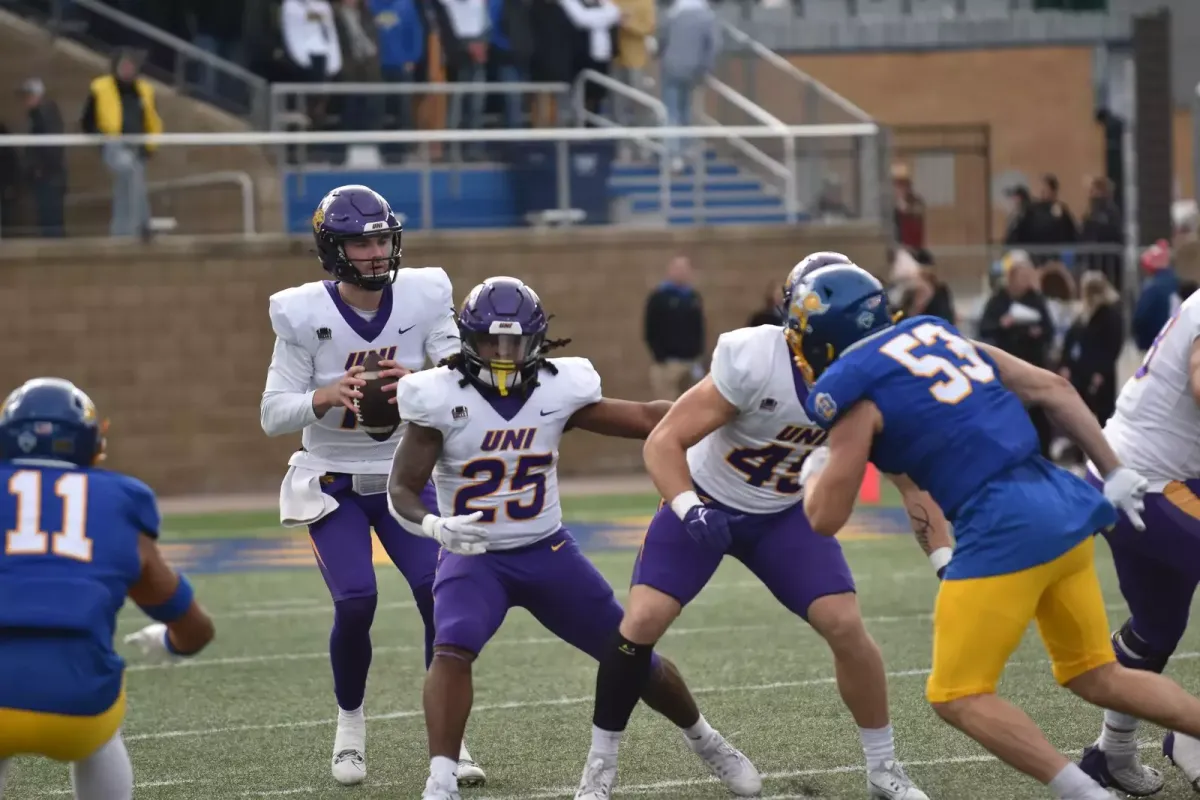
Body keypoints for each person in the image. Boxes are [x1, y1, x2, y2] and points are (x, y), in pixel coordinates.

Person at [791, 262, 1200, 800]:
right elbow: (1053, 387)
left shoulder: (856, 387)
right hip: (1065, 507)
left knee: (955, 694)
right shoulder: (935, 333)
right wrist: (1114, 468)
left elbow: (825, 518)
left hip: (1003, 528)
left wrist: (814, 475)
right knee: (1096, 673)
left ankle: (1086, 794)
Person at [576, 253, 947, 800]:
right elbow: (663, 440)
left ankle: (883, 769)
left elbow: (912, 483)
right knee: (642, 622)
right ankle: (599, 767)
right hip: (707, 501)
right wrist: (687, 508)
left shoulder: (874, 380)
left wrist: (946, 565)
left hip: (783, 514)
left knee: (846, 625)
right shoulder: (754, 358)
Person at [387, 276, 759, 800]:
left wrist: (729, 408)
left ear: (537, 343)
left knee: (631, 654)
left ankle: (708, 741)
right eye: (492, 342)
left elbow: (650, 419)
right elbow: (402, 487)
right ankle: (442, 778)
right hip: (475, 556)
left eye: (514, 343)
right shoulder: (436, 397)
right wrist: (432, 525)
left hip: (548, 553)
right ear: (468, 342)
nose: (502, 354)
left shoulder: (560, 387)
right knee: (451, 648)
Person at [258, 185, 485, 787]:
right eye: (361, 241)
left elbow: (465, 374)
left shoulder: (424, 294)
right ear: (333, 249)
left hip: (404, 476)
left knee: (441, 595)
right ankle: (350, 726)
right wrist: (322, 397)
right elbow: (272, 413)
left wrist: (424, 381)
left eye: (382, 238)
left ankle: (451, 741)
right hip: (332, 478)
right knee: (356, 600)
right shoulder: (304, 314)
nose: (376, 251)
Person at [0, 378, 215, 800]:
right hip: (78, 709)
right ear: (91, 441)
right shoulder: (120, 499)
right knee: (102, 738)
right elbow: (194, 629)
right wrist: (172, 645)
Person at [1075, 287, 1200, 796]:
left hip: (1130, 476)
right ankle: (1194, 735)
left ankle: (1112, 754)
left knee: (1156, 629)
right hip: (1145, 483)